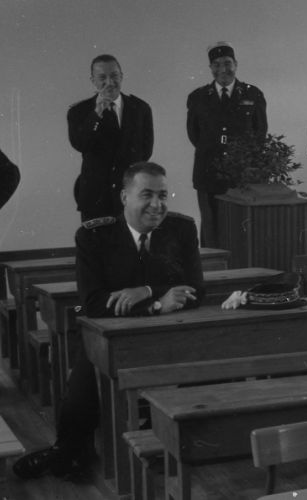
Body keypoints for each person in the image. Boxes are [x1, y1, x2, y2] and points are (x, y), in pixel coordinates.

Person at [13, 162, 204, 480]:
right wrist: (158, 303)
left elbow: (196, 289)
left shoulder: (181, 229)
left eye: (162, 195)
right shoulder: (94, 235)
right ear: (125, 197)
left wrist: (145, 291)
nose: (157, 205)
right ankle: (69, 450)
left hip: (167, 335)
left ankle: (158, 443)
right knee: (81, 393)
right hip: (109, 335)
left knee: (205, 372)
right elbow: (93, 303)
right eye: (146, 195)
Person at [187, 41, 268, 247]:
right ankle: (213, 266)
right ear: (210, 68)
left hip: (242, 175)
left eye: (227, 63)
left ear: (236, 64)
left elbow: (260, 133)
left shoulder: (253, 94)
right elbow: (194, 135)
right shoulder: (198, 97)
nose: (223, 69)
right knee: (211, 230)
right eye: (216, 64)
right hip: (209, 173)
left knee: (242, 229)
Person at [68, 54, 154, 221]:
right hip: (96, 197)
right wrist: (96, 114)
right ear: (93, 80)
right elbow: (80, 144)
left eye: (114, 76)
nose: (109, 82)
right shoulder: (79, 111)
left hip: (131, 195)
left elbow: (145, 152)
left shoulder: (140, 109)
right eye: (102, 78)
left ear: (121, 76)